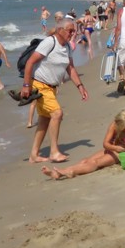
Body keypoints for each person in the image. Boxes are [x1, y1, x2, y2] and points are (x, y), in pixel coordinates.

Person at [19, 20, 88, 163]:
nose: (72, 33)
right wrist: (26, 85)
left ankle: (33, 155)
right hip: (39, 85)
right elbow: (30, 63)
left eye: (73, 31)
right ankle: (54, 152)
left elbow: (71, 68)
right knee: (57, 113)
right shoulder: (50, 42)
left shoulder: (68, 46)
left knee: (45, 119)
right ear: (60, 30)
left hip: (52, 87)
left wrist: (80, 86)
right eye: (70, 30)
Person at [42, 109, 125, 180]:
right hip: (112, 149)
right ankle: (60, 173)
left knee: (96, 162)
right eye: (123, 129)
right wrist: (114, 147)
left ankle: (70, 171)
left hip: (121, 154)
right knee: (86, 160)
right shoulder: (114, 125)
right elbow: (105, 143)